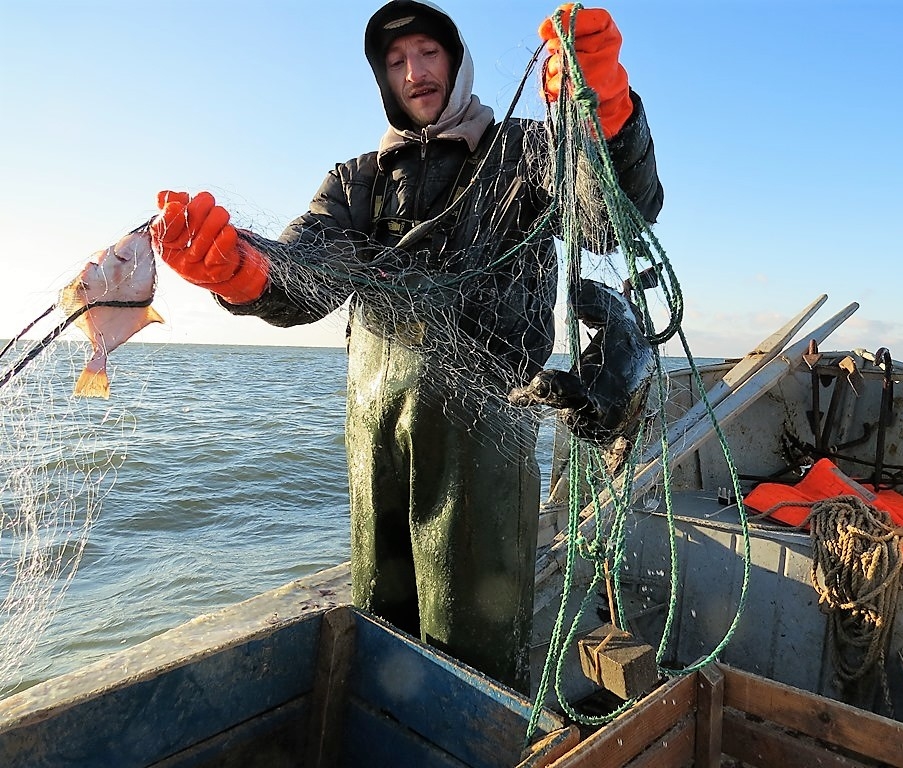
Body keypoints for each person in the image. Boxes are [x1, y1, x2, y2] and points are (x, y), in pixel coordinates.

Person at [149, 0, 663, 694]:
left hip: (487, 434)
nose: (415, 72)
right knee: (378, 621)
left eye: (428, 53)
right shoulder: (356, 179)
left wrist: (601, 108)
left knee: (472, 644)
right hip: (373, 433)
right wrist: (238, 274)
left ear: (457, 61)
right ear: (382, 78)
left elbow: (613, 216)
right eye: (396, 61)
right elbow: (304, 276)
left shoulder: (527, 152)